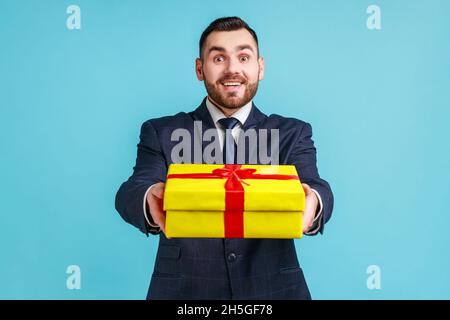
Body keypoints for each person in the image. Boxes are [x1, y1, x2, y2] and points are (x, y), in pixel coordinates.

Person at [115, 16, 334, 300]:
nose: (233, 69)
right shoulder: (162, 132)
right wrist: (149, 197)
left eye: (243, 57)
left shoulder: (291, 133)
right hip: (185, 294)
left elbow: (317, 187)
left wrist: (312, 202)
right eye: (219, 58)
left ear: (260, 67)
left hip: (273, 291)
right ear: (199, 68)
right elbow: (132, 189)